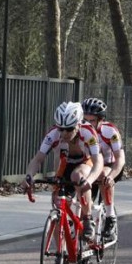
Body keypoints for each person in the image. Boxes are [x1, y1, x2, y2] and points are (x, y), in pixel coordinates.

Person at [21, 101, 104, 239]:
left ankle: (88, 219)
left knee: (78, 176)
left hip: (85, 162)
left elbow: (98, 161)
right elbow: (38, 159)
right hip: (64, 164)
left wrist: (89, 180)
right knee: (58, 206)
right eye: (61, 129)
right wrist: (29, 176)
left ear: (78, 125)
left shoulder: (88, 133)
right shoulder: (53, 134)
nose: (64, 133)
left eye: (69, 129)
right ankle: (61, 255)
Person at [81, 97, 126, 241]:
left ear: (100, 120)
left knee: (103, 176)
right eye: (85, 120)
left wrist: (112, 176)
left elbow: (120, 158)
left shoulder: (109, 131)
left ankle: (110, 216)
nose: (88, 124)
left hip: (110, 166)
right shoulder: (81, 130)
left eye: (92, 121)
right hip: (92, 166)